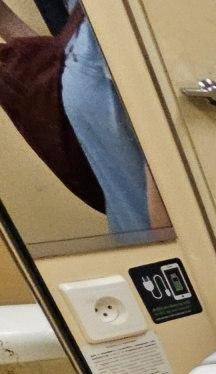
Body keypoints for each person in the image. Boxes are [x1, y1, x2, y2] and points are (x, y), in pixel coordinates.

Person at [0, 0, 165, 235]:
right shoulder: (86, 24)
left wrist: (170, 250)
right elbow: (73, 62)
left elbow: (169, 143)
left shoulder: (119, 22)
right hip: (141, 241)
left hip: (174, 246)